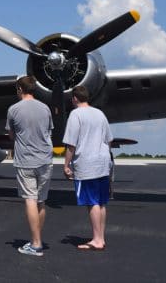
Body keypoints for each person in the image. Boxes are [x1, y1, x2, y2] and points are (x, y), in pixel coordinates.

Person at [6, 76, 53, 256]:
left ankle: (36, 243)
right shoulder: (45, 108)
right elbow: (49, 131)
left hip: (25, 160)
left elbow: (11, 136)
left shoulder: (13, 109)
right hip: (45, 160)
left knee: (30, 200)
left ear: (20, 89)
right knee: (41, 201)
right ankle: (36, 239)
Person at [63, 85, 113, 251]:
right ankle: (101, 237)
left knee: (92, 202)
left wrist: (66, 164)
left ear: (75, 98)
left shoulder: (75, 114)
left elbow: (71, 143)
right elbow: (109, 139)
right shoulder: (100, 113)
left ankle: (97, 240)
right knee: (101, 201)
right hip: (103, 162)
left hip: (87, 164)